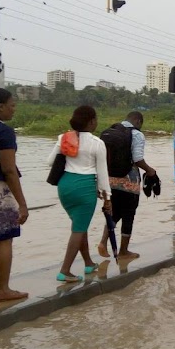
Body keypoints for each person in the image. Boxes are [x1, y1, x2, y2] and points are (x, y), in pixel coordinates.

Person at [48, 106, 111, 282]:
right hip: (85, 188)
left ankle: (88, 263)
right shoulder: (97, 143)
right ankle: (65, 270)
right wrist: (107, 198)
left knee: (79, 225)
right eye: (96, 119)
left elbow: (49, 161)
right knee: (78, 229)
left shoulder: (64, 138)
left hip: (65, 186)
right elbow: (103, 173)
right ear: (91, 121)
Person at [97, 111, 156, 260]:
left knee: (114, 212)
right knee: (129, 214)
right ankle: (123, 251)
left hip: (110, 180)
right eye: (140, 123)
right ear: (137, 120)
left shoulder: (112, 131)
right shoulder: (137, 134)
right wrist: (149, 170)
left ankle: (103, 242)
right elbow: (137, 159)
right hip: (129, 182)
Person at [0, 89, 29, 302]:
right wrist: (22, 204)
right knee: (4, 239)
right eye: (12, 105)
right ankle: (3, 290)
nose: (14, 109)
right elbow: (8, 169)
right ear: (0, 106)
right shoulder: (3, 132)